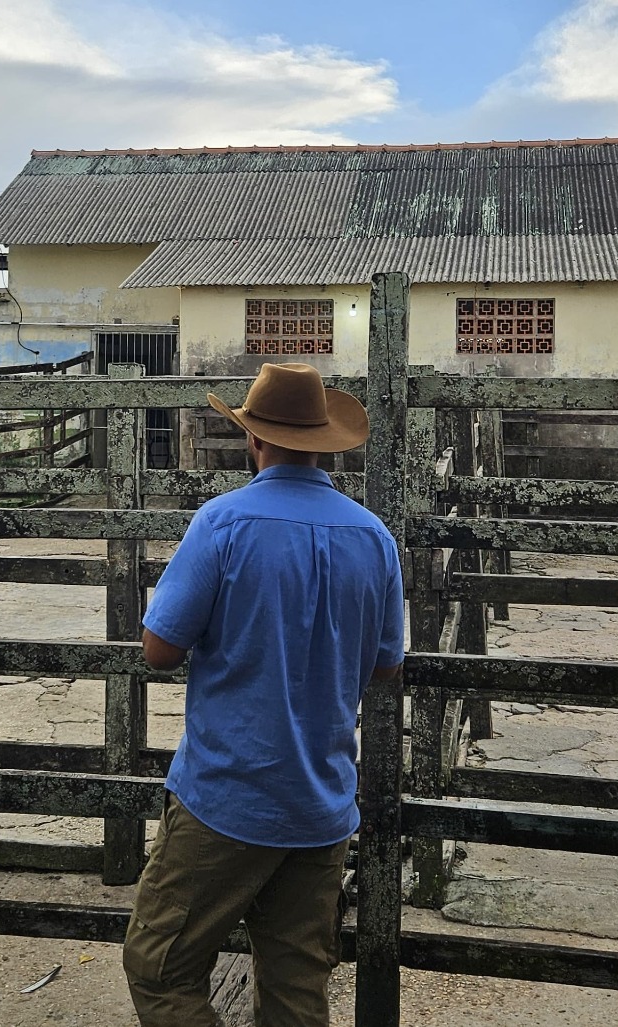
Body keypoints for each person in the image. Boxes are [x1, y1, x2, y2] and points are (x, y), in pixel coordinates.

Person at [123, 362, 405, 1026]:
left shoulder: (222, 524)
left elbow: (160, 647)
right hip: (321, 804)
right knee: (296, 989)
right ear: (324, 443)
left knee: (157, 964)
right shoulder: (374, 538)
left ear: (255, 440)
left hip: (228, 795)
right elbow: (387, 667)